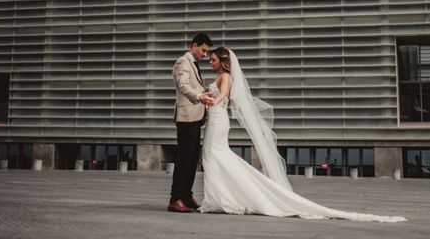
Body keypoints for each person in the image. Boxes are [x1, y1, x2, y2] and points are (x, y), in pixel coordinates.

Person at [199, 46, 407, 223]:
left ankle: (223, 198)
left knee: (213, 156)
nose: (210, 62)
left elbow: (224, 96)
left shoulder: (225, 77)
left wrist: (209, 101)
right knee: (214, 157)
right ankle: (220, 198)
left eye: (213, 59)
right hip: (215, 120)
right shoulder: (219, 77)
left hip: (218, 120)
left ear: (223, 62)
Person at [168, 33, 215, 213]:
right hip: (186, 118)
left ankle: (186, 196)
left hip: (195, 118)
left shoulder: (194, 64)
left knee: (192, 159)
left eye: (206, 52)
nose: (204, 54)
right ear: (194, 46)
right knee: (184, 159)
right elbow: (183, 85)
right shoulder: (183, 62)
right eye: (203, 50)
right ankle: (175, 199)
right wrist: (199, 97)